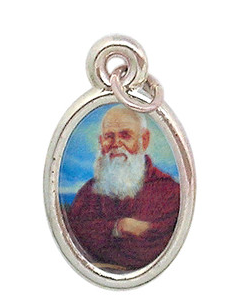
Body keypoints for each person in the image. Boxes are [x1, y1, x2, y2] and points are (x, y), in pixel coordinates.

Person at [67, 105, 179, 269]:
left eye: (125, 135)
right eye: (109, 136)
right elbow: (76, 234)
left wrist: (103, 235)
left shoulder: (169, 191)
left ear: (144, 140)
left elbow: (156, 244)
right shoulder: (87, 192)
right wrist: (119, 227)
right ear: (101, 142)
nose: (116, 144)